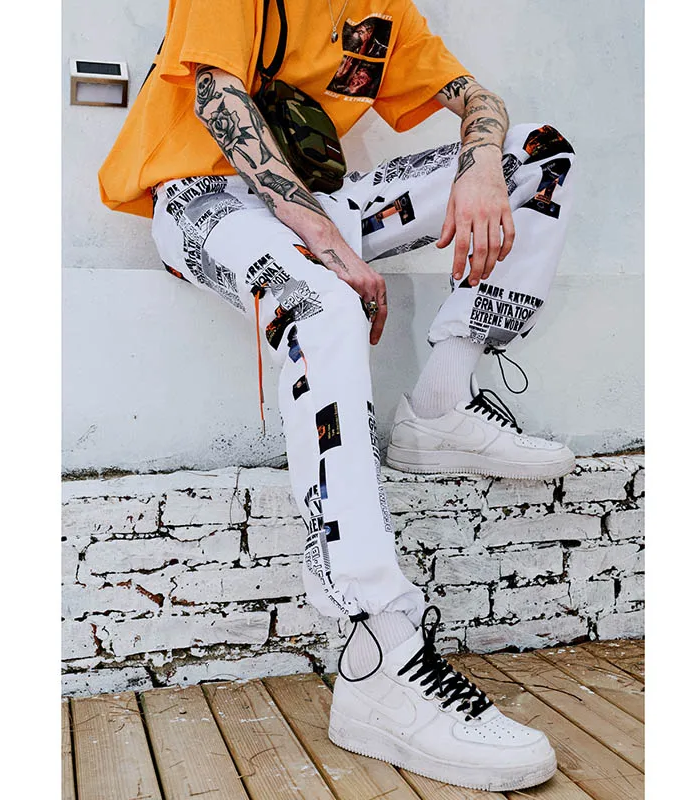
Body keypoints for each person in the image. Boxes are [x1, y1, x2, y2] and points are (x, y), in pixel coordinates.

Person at [99, 0, 576, 791]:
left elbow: (477, 99)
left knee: (540, 154)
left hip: (320, 204)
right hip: (205, 201)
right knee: (322, 308)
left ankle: (441, 403)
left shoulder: (385, 11)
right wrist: (320, 240)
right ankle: (380, 651)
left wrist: (482, 162)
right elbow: (218, 97)